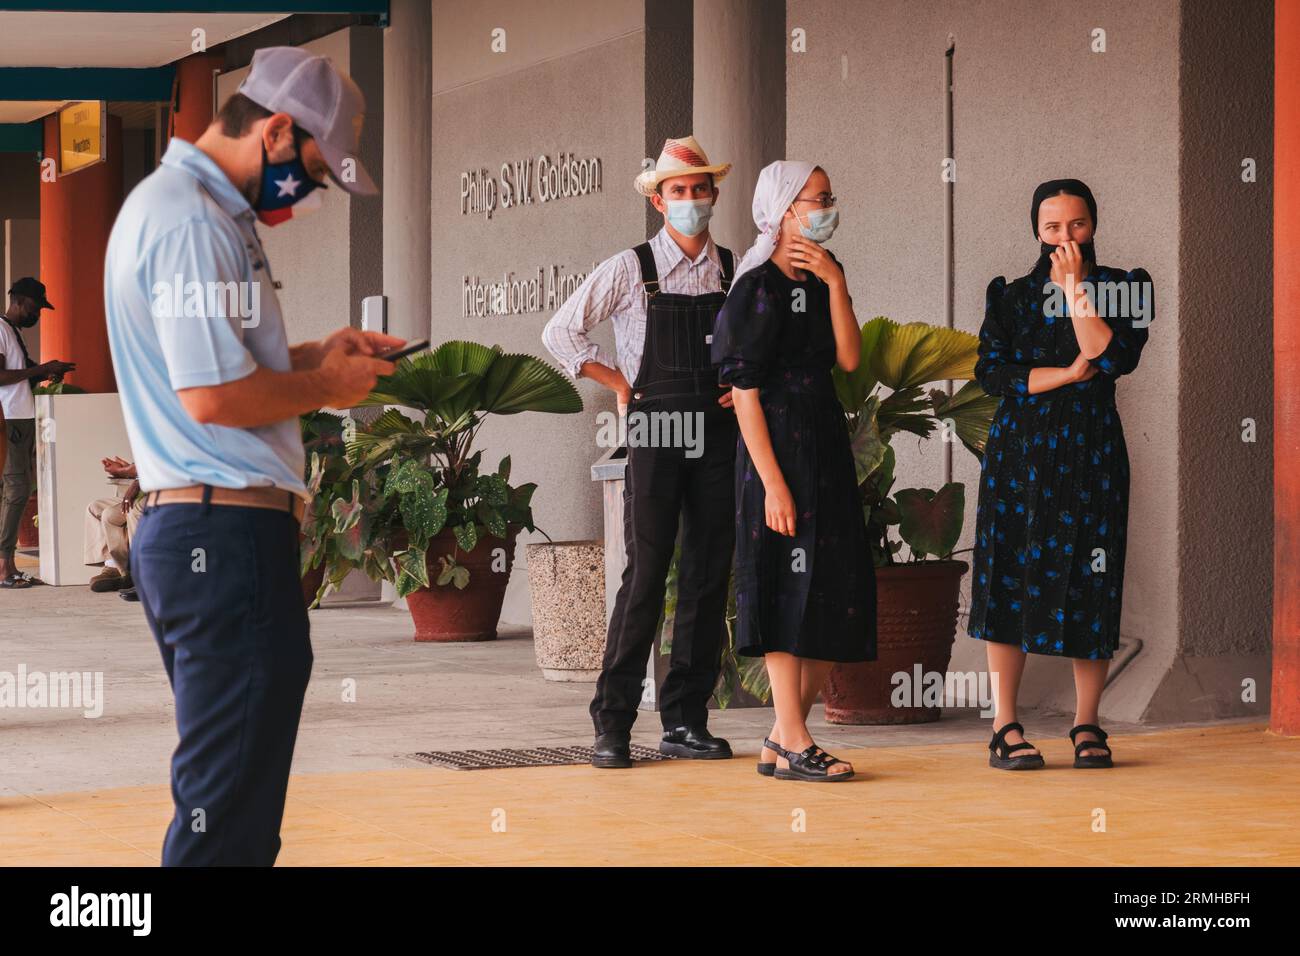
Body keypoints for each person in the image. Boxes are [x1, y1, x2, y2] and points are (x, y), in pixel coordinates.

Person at [104, 46, 402, 865]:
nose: (310, 195)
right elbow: (212, 398)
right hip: (221, 540)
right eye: (313, 171)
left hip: (207, 535)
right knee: (225, 813)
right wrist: (328, 389)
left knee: (231, 798)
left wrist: (315, 356)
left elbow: (219, 372)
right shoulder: (193, 223)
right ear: (275, 131)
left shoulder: (191, 212)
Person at [542, 136, 739, 768]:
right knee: (646, 574)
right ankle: (614, 722)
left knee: (708, 575)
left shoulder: (732, 270)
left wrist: (742, 382)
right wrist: (618, 382)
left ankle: (686, 720)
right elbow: (559, 330)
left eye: (699, 189)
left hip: (718, 430)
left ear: (713, 194)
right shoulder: (631, 268)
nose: (689, 200)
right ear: (658, 200)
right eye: (677, 191)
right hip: (654, 428)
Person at [968, 178, 1152, 770]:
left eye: (1076, 224)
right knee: (1009, 577)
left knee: (1091, 578)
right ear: (1036, 230)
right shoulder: (1010, 295)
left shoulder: (1125, 289)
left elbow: (1113, 356)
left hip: (1091, 455)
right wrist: (1064, 376)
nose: (1065, 236)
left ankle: (1087, 722)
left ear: (1092, 224)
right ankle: (1005, 724)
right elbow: (992, 373)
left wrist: (1076, 291)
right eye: (1053, 227)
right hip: (1019, 454)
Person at [711, 161, 876, 782]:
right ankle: (798, 739)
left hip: (825, 438)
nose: (827, 207)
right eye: (817, 199)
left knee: (833, 593)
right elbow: (744, 392)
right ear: (784, 211)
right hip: (775, 447)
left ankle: (782, 738)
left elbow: (850, 357)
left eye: (830, 197)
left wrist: (835, 282)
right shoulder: (756, 286)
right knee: (784, 588)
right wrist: (773, 483)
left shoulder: (822, 277)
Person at [0, 277, 76, 589]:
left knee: (15, 491)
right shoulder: (1, 329)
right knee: (17, 491)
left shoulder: (12, 331)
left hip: (22, 417)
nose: (37, 315)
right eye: (34, 307)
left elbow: (20, 373)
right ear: (17, 300)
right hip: (10, 420)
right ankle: (4, 567)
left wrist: (44, 371)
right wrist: (39, 370)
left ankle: (7, 564)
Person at [85, 456, 143, 594]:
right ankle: (113, 566)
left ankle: (139, 574)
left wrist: (132, 475)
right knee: (94, 508)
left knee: (118, 514)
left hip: (158, 491)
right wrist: (125, 470)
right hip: (143, 488)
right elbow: (143, 465)